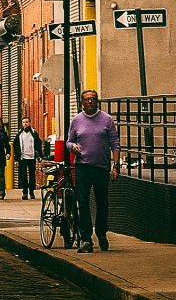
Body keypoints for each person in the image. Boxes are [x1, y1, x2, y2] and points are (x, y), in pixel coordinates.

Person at [68, 89, 118, 253]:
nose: (90, 102)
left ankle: (101, 232)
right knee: (82, 202)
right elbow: (69, 142)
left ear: (97, 101)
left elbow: (115, 144)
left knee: (102, 203)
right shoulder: (76, 120)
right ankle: (86, 239)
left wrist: (115, 166)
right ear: (82, 102)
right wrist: (72, 147)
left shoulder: (106, 119)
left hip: (101, 168)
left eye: (93, 99)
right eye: (87, 99)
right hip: (82, 167)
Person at [15, 122, 44, 200]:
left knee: (32, 175)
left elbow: (38, 144)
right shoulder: (19, 133)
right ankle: (24, 192)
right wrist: (16, 158)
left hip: (32, 157)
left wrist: (40, 156)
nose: (25, 124)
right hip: (22, 158)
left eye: (26, 122)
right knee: (23, 175)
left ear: (29, 123)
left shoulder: (33, 132)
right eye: (23, 122)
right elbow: (16, 146)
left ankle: (31, 192)